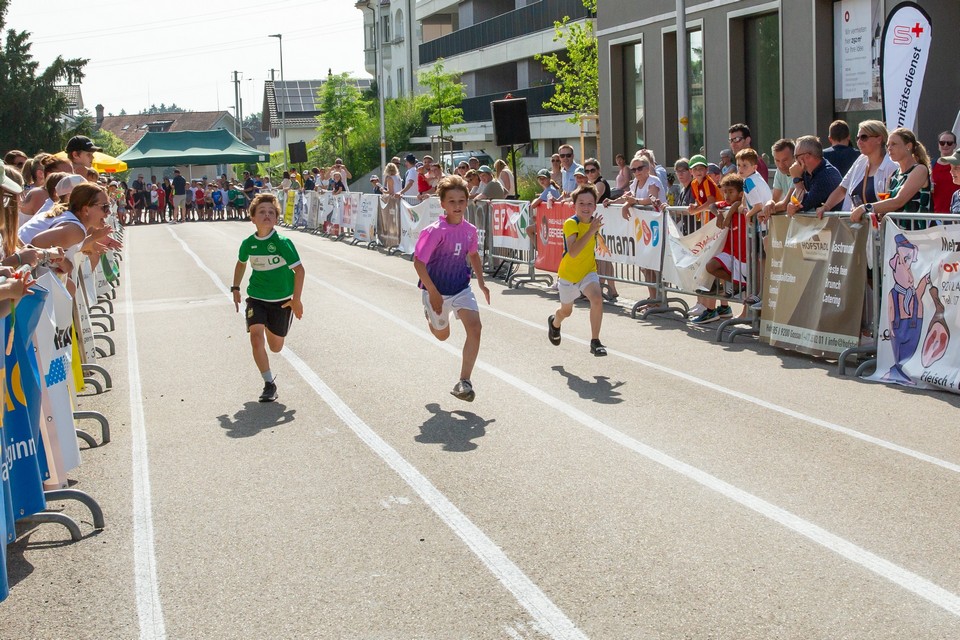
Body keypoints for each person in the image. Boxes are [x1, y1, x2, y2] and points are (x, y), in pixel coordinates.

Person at [413, 175, 489, 402]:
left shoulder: (470, 230)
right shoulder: (435, 231)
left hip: (461, 288)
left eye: (461, 201)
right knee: (442, 336)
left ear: (467, 201)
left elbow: (473, 254)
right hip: (435, 289)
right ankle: (430, 316)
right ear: (443, 204)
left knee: (475, 328)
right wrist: (433, 293)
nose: (457, 206)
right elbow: (418, 263)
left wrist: (481, 282)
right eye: (452, 201)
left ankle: (464, 381)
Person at [231, 193, 305, 403]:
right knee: (256, 339)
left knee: (275, 347)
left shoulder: (283, 243)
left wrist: (296, 300)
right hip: (256, 298)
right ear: (253, 218)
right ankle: (269, 384)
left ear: (276, 218)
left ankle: (272, 326)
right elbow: (241, 263)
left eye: (271, 212)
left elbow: (299, 271)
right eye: (262, 212)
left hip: (281, 301)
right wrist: (235, 287)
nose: (267, 215)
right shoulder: (248, 243)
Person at [547, 183, 608, 357]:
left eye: (589, 204)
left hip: (588, 271)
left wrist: (601, 242)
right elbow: (573, 252)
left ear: (595, 206)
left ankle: (595, 341)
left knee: (597, 299)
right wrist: (592, 230)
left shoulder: (593, 223)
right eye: (581, 203)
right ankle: (555, 322)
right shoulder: (570, 223)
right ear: (574, 206)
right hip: (569, 275)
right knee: (566, 311)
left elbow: (594, 234)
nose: (585, 207)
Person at [850, 127, 931, 227]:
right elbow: (886, 204)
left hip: (917, 232)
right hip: (895, 232)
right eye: (888, 145)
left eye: (894, 144)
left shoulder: (920, 169)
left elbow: (899, 201)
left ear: (908, 146)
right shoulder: (893, 175)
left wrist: (865, 208)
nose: (889, 148)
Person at [814, 120, 897, 217]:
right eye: (857, 138)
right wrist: (826, 206)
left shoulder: (892, 165)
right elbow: (842, 188)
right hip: (855, 223)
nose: (859, 142)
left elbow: (894, 202)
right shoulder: (861, 160)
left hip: (881, 224)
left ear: (879, 139)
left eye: (864, 137)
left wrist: (865, 209)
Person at [702, 173, 747, 322]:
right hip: (730, 252)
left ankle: (747, 314)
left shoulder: (743, 205)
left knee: (750, 290)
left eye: (730, 192)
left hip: (744, 254)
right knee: (710, 266)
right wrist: (719, 215)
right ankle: (736, 282)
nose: (726, 195)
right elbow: (712, 205)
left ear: (740, 193)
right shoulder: (724, 206)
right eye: (725, 192)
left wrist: (733, 209)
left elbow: (739, 204)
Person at [785, 136, 842, 214]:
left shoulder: (826, 175)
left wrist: (797, 179)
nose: (795, 161)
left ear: (807, 156)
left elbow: (803, 205)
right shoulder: (806, 173)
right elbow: (795, 201)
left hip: (836, 221)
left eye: (796, 157)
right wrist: (792, 204)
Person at [932, 131, 960, 214]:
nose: (945, 145)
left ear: (955, 145)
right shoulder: (930, 166)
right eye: (942, 143)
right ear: (938, 145)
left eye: (949, 143)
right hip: (936, 215)